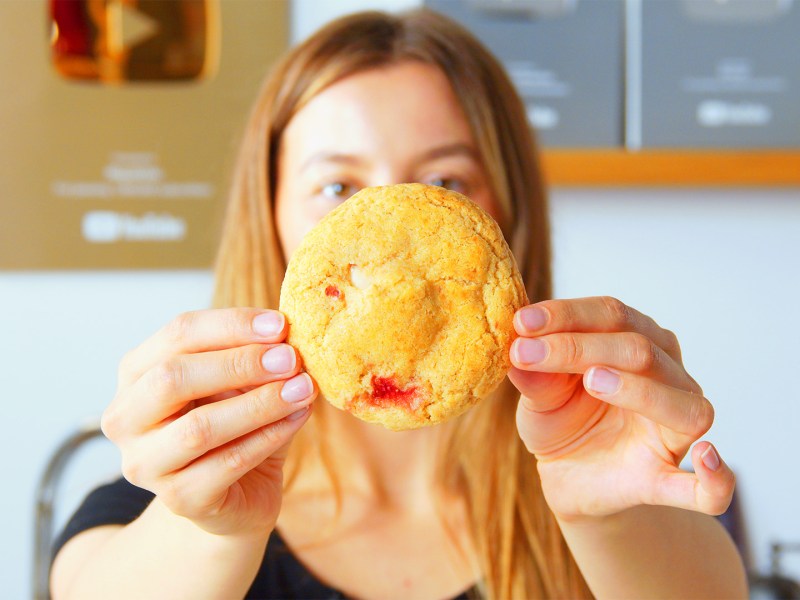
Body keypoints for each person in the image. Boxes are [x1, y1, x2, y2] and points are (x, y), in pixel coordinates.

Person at [50, 9, 747, 600]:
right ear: (271, 219)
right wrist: (210, 527)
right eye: (338, 187)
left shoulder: (619, 478)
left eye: (445, 178)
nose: (393, 228)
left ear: (507, 216)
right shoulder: (171, 509)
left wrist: (615, 522)